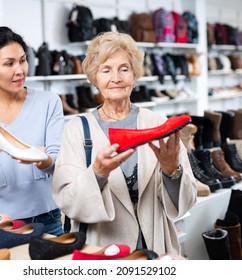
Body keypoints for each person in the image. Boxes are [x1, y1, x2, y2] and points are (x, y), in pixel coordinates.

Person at [52, 31, 197, 255]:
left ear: (135, 74)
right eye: (106, 70)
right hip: (104, 247)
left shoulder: (157, 123)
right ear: (94, 77)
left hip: (156, 246)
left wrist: (172, 171)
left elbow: (187, 202)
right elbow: (67, 202)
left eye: (124, 69)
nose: (116, 78)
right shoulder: (78, 130)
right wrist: (98, 173)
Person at [0, 26, 65, 236]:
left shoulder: (49, 102)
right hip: (1, 224)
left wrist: (42, 159)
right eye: (9, 63)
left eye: (23, 60)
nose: (20, 70)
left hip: (49, 220)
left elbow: (60, 164)